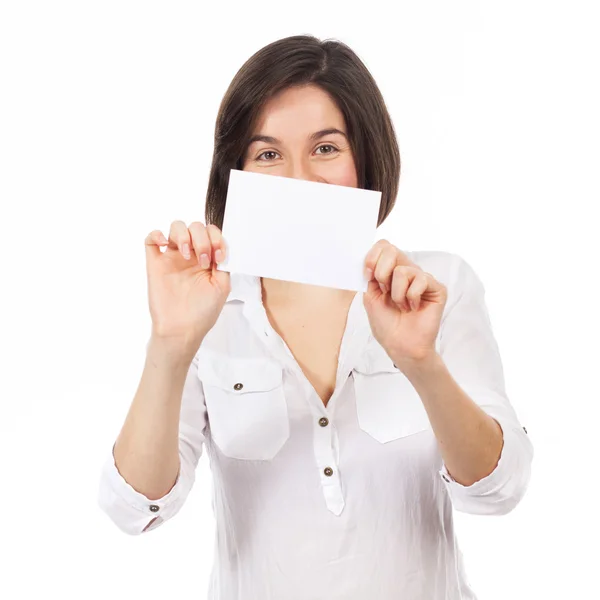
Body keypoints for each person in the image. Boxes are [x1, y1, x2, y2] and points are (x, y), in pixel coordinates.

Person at [97, 35, 533, 599]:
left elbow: (498, 491)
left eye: (326, 148)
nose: (299, 179)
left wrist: (420, 362)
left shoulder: (436, 286)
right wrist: (171, 343)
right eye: (269, 154)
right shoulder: (212, 306)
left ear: (366, 157)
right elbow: (135, 507)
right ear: (240, 174)